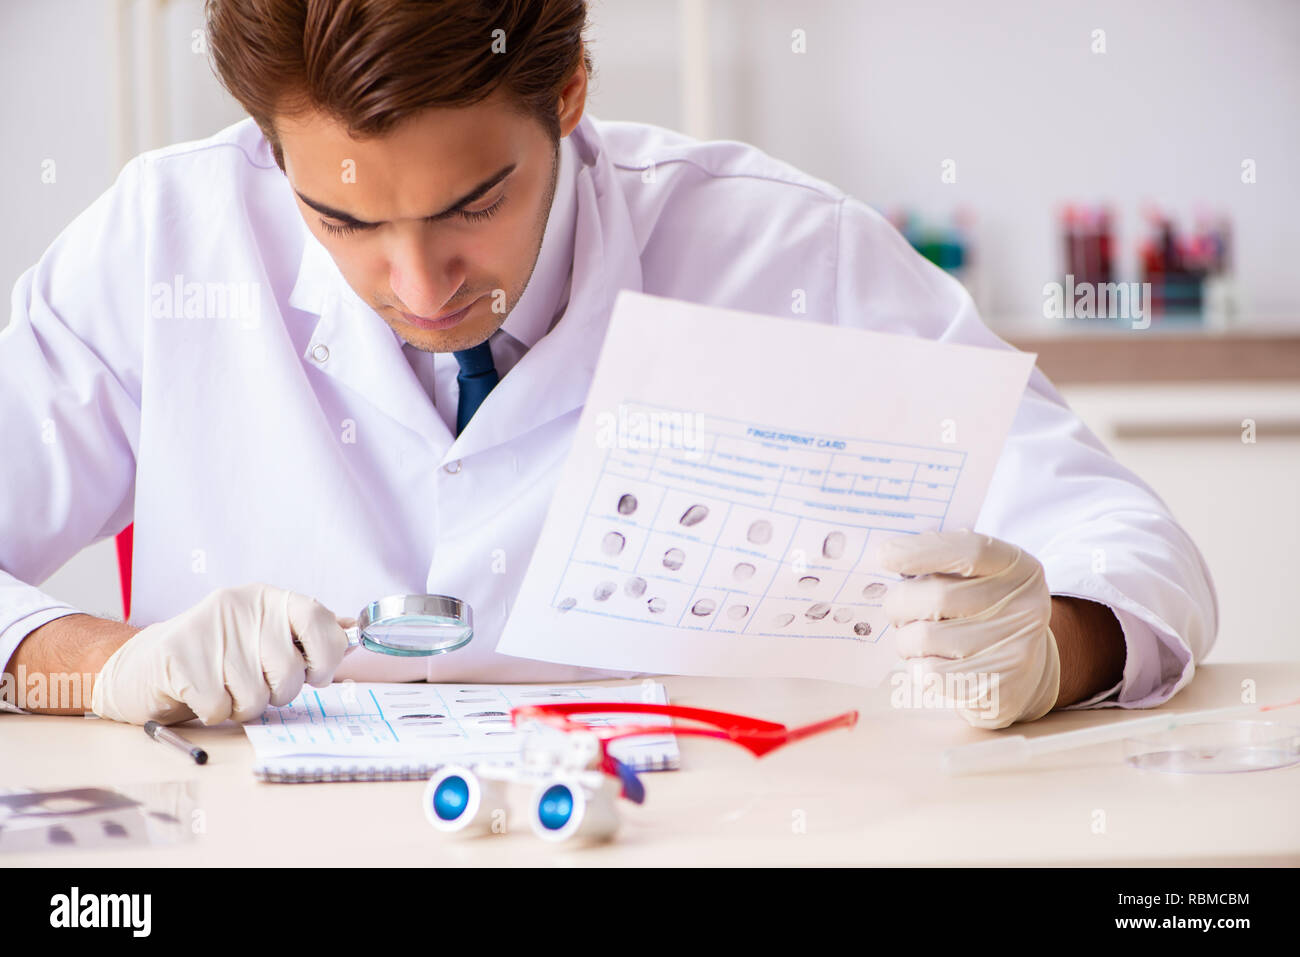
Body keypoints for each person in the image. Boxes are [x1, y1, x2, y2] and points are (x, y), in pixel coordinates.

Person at [0, 0, 1215, 731]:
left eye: (474, 202)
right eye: (347, 223)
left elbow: (1127, 542)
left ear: (570, 96)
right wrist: (102, 667)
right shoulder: (167, 239)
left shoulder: (777, 248)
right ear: (273, 154)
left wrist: (1049, 648)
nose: (420, 289)